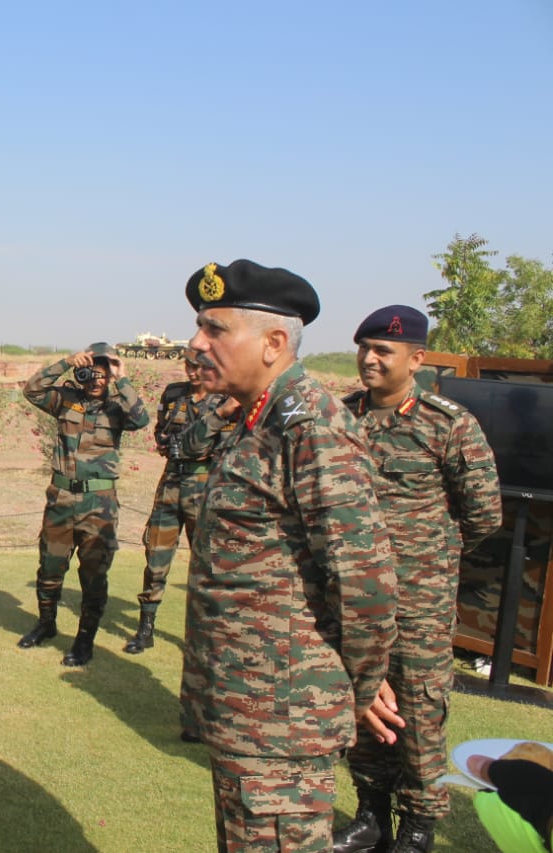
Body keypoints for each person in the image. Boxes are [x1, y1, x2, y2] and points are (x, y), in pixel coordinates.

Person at [179, 259, 397, 852]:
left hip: (284, 715)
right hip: (247, 709)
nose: (197, 343)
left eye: (215, 329)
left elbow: (365, 584)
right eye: (199, 327)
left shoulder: (312, 430)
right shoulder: (258, 421)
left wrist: (359, 683)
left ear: (274, 343)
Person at [333, 305, 502, 853]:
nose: (369, 358)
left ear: (417, 359)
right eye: (365, 347)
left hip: (419, 601)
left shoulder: (447, 423)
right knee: (364, 704)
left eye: (383, 350)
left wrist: (432, 557)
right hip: (356, 600)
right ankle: (371, 814)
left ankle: (421, 826)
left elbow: (484, 514)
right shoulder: (340, 416)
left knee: (420, 708)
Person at [17, 341, 148, 666]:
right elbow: (32, 390)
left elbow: (141, 419)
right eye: (92, 368)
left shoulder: (118, 406)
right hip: (61, 498)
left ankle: (84, 639)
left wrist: (123, 378)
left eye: (103, 369)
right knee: (50, 568)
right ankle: (46, 624)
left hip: (99, 503)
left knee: (93, 575)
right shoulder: (65, 399)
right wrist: (64, 362)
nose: (97, 377)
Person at [124, 347, 230, 655]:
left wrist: (192, 446)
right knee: (155, 556)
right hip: (171, 482)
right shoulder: (174, 394)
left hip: (205, 486)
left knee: (205, 565)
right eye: (188, 365)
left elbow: (224, 447)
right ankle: (145, 629)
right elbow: (161, 431)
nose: (193, 372)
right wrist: (167, 444)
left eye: (199, 366)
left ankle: (205, 635)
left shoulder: (225, 399)